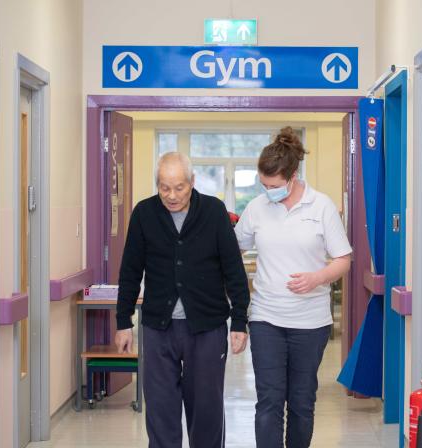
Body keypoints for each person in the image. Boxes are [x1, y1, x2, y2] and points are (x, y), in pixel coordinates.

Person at [115, 152, 250, 448]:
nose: (172, 195)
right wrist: (123, 321)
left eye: (179, 187)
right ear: (157, 185)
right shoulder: (144, 214)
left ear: (192, 182)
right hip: (157, 329)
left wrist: (240, 321)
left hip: (207, 327)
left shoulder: (214, 211)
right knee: (161, 410)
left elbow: (233, 270)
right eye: (164, 187)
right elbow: (130, 271)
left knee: (206, 411)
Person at [235, 127, 352, 448]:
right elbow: (233, 249)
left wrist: (317, 277)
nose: (268, 190)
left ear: (293, 175)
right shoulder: (257, 207)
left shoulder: (321, 206)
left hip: (310, 322)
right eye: (263, 184)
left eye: (274, 185)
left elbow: (343, 260)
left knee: (301, 402)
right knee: (269, 401)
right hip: (266, 318)